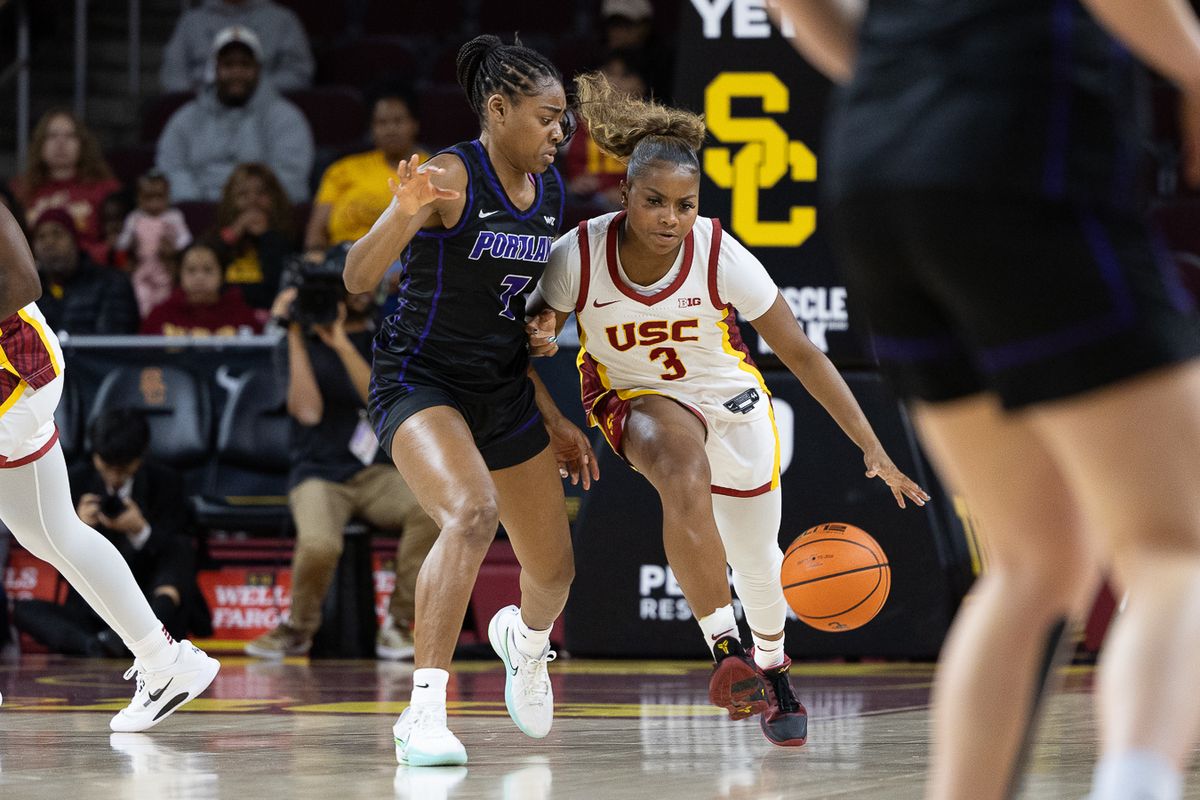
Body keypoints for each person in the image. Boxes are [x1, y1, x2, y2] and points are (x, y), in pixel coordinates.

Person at [770, 2, 1200, 799]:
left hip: (875, 164)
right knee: (1175, 547)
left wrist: (905, 86)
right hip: (1018, 140)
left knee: (1033, 565)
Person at [531, 72, 928, 747]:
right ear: (624, 195)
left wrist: (873, 447)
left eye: (684, 205)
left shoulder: (719, 253)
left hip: (731, 401)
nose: (669, 218)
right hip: (635, 396)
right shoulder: (579, 254)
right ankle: (725, 650)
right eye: (654, 201)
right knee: (679, 467)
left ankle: (772, 668)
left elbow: (802, 354)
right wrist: (542, 334)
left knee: (758, 562)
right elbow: (528, 336)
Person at [344, 35, 596, 767]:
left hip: (502, 388)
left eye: (564, 120)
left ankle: (526, 642)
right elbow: (358, 278)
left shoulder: (550, 193)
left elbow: (514, 316)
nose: (559, 131)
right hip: (420, 380)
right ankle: (423, 712)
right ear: (498, 109)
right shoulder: (451, 176)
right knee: (472, 512)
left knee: (554, 571)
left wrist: (552, 404)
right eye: (546, 117)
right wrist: (400, 213)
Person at [0, 201, 218, 725]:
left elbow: (25, 281)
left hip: (17, 369)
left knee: (53, 531)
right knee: (52, 532)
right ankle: (166, 662)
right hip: (21, 379)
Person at [244, 276, 440, 661]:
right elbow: (308, 412)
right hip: (318, 473)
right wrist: (294, 332)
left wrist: (341, 343)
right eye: (352, 285)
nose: (361, 292)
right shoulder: (294, 345)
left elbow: (378, 401)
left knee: (431, 511)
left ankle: (398, 623)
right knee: (319, 545)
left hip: (376, 472)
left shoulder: (386, 337)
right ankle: (298, 629)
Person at [13, 408, 212, 654]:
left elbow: (179, 556)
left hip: (151, 602)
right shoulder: (73, 481)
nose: (115, 477)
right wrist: (75, 530)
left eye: (124, 468)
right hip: (93, 610)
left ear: (141, 456)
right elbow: (59, 564)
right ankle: (100, 646)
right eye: (107, 466)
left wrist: (142, 531)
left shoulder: (166, 482)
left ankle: (147, 638)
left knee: (181, 547)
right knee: (25, 611)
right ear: (95, 455)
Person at [156, 26, 315, 204]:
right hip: (198, 212)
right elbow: (170, 169)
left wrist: (246, 203)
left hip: (260, 213)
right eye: (228, 64)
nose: (237, 73)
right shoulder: (185, 119)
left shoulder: (286, 118)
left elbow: (291, 179)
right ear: (214, 69)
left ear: (258, 70)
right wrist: (199, 207)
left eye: (245, 65)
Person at [304, 84, 429, 255]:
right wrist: (314, 256)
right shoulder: (343, 169)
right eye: (382, 123)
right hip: (340, 260)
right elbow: (316, 232)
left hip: (403, 261)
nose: (390, 130)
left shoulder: (434, 170)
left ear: (415, 124)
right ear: (371, 128)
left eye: (398, 121)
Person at [9, 109, 121, 265]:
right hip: (35, 271)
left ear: (82, 144)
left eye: (69, 136)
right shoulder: (20, 190)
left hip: (92, 270)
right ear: (40, 144)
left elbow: (117, 240)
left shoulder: (106, 189)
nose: (60, 143)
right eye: (52, 136)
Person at [159, 0, 314, 93]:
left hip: (266, 107)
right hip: (201, 110)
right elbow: (172, 73)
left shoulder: (282, 19)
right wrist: (204, 95)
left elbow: (299, 72)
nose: (235, 72)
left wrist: (251, 90)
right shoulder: (191, 21)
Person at [564, 49, 650, 212]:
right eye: (609, 73)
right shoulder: (569, 122)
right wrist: (568, 186)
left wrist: (632, 194)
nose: (615, 83)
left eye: (625, 76)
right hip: (578, 205)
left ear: (641, 84)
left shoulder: (652, 131)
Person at [31, 208, 140, 335]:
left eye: (57, 234)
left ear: (75, 240)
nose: (49, 243)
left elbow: (115, 338)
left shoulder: (111, 283)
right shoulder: (30, 294)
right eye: (41, 237)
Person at [212, 162, 296, 310]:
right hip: (223, 311)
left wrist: (267, 236)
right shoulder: (217, 234)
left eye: (261, 193)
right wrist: (234, 232)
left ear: (275, 198)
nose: (253, 200)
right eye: (243, 194)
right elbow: (205, 263)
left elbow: (280, 285)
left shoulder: (288, 237)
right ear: (230, 200)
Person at [140, 241, 263, 336]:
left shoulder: (241, 314)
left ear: (222, 276)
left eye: (208, 270)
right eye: (191, 270)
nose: (199, 278)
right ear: (179, 275)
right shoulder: (161, 315)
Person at [117, 171, 193, 318]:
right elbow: (122, 242)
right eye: (148, 197)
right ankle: (145, 321)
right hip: (142, 267)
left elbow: (186, 239)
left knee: (164, 299)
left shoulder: (174, 216)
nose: (154, 203)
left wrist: (173, 248)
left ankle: (160, 321)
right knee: (140, 296)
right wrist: (131, 244)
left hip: (164, 267)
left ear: (168, 196)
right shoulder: (135, 217)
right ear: (138, 198)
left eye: (159, 197)